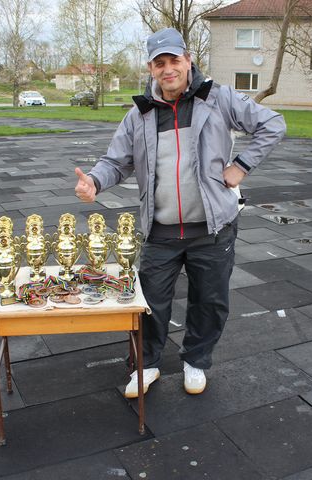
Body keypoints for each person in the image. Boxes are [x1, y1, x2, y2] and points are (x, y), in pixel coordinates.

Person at [74, 27, 286, 397]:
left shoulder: (218, 98)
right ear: (150, 68)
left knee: (210, 301)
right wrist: (93, 181)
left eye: (174, 60)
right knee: (148, 303)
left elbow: (272, 124)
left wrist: (240, 166)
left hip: (212, 228)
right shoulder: (139, 114)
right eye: (159, 63)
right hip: (161, 230)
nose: (168, 69)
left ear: (188, 60)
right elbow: (115, 162)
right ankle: (147, 365)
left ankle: (196, 361)